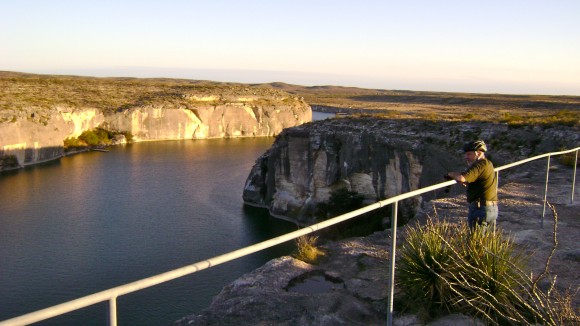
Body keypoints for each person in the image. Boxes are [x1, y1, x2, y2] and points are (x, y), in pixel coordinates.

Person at [447, 140, 498, 231]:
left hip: (481, 209)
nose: (466, 157)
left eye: (469, 154)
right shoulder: (487, 164)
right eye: (466, 154)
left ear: (478, 153)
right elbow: (477, 180)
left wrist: (450, 174)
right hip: (491, 209)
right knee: (486, 242)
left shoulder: (480, 165)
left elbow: (461, 178)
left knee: (475, 242)